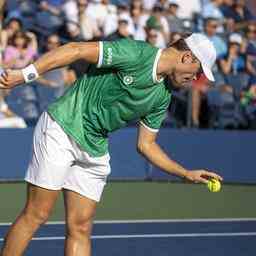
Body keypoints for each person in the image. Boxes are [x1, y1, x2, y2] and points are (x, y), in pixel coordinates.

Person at [0, 34, 223, 256]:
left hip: (95, 145)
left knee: (81, 227)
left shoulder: (162, 96)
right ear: (187, 58)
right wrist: (25, 74)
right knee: (37, 213)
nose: (195, 78)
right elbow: (76, 49)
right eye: (199, 72)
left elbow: (146, 145)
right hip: (63, 126)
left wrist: (184, 173)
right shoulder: (136, 53)